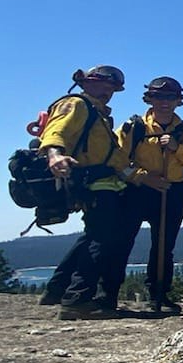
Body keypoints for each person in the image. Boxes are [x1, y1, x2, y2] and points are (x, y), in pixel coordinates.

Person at [39, 65, 149, 319]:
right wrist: (54, 155)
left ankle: (56, 290)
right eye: (103, 85)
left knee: (92, 236)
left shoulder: (97, 114)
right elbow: (56, 131)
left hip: (101, 183)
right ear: (86, 83)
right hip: (94, 183)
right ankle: (77, 300)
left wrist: (140, 177)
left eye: (112, 88)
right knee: (103, 238)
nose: (108, 91)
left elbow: (114, 157)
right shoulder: (76, 105)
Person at [115, 76, 183, 314]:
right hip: (138, 190)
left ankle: (159, 293)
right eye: (158, 97)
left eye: (170, 98)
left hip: (172, 191)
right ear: (149, 98)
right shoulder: (134, 127)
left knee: (164, 246)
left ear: (179, 101)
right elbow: (116, 161)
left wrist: (178, 150)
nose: (164, 102)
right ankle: (107, 293)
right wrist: (143, 177)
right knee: (122, 241)